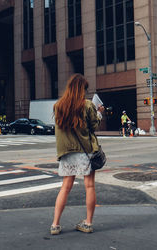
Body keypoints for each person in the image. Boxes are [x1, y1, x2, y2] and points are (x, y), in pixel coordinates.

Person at [51, 74, 104, 235]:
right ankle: (87, 223)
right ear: (81, 89)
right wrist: (99, 112)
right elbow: (93, 126)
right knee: (89, 186)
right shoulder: (87, 105)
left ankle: (55, 225)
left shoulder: (58, 106)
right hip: (85, 152)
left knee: (65, 188)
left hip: (66, 153)